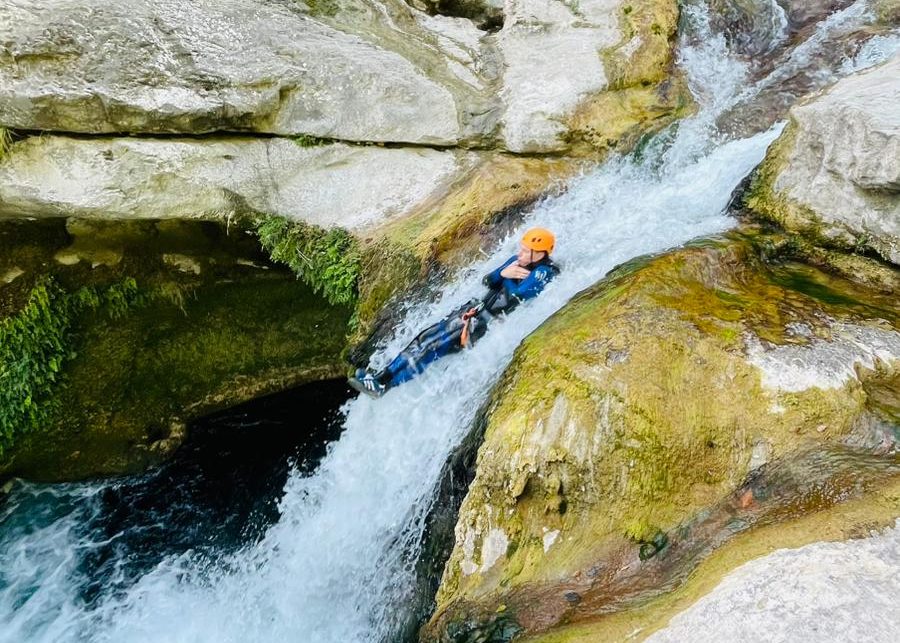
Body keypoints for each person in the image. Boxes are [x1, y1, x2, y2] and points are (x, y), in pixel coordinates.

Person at [349, 227, 560, 398]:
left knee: (431, 348)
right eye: (521, 249)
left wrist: (509, 278)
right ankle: (380, 376)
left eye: (525, 251)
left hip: (483, 324)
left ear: (539, 254)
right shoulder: (516, 262)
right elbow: (489, 280)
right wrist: (504, 273)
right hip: (473, 311)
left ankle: (386, 386)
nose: (520, 253)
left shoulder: (544, 272)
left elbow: (517, 298)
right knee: (423, 338)